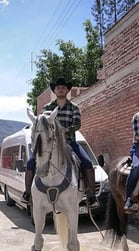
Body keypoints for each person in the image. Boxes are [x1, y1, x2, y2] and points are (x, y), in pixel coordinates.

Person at [22, 77, 97, 206]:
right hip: (51, 143)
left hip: (69, 142)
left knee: (87, 162)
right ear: (55, 91)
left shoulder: (74, 107)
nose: (61, 90)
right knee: (30, 162)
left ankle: (91, 195)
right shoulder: (47, 107)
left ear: (67, 90)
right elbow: (41, 124)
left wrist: (65, 130)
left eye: (63, 88)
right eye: (58, 88)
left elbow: (77, 124)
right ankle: (28, 194)